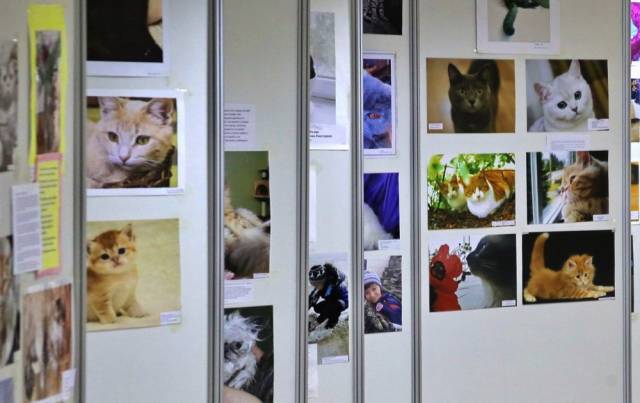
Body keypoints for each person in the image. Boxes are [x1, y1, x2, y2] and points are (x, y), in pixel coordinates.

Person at [308, 263, 348, 330]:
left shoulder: (332, 285)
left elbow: (330, 307)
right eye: (313, 283)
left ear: (324, 279)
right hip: (332, 300)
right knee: (317, 308)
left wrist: (316, 322)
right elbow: (311, 299)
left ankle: (330, 326)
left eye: (317, 283)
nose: (315, 286)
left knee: (332, 309)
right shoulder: (321, 285)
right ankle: (326, 319)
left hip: (342, 302)